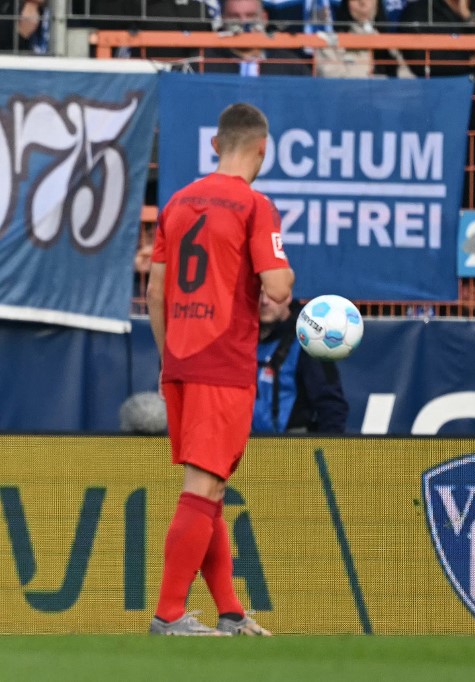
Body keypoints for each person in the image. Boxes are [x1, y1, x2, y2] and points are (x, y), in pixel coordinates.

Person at [147, 102, 294, 636]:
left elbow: (155, 291)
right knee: (201, 488)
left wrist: (168, 361)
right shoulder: (255, 206)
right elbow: (277, 288)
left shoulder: (178, 202)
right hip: (223, 362)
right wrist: (287, 273)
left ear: (216, 145)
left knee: (210, 490)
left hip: (181, 361)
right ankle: (167, 615)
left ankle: (229, 611)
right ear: (262, 148)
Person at [253, 291, 350, 433]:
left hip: (294, 448)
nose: (264, 301)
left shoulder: (308, 342)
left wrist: (329, 452)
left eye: (272, 294)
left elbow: (331, 406)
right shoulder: (239, 339)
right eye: (259, 294)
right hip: (245, 447)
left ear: (287, 296)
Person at [202, 0, 312, 76]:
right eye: (234, 16)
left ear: (265, 19)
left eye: (250, 16)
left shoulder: (291, 66)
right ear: (223, 19)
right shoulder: (202, 64)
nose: (243, 23)